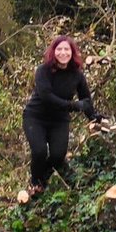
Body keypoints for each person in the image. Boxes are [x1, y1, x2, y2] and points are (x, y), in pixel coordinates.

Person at [21, 36, 101, 197]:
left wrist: (94, 116)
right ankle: (35, 182)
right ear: (53, 52)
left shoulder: (77, 75)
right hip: (35, 117)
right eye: (59, 49)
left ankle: (41, 180)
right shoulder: (43, 71)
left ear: (72, 53)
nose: (63, 53)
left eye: (66, 49)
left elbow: (85, 99)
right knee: (39, 151)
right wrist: (73, 106)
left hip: (59, 120)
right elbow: (47, 97)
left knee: (58, 155)